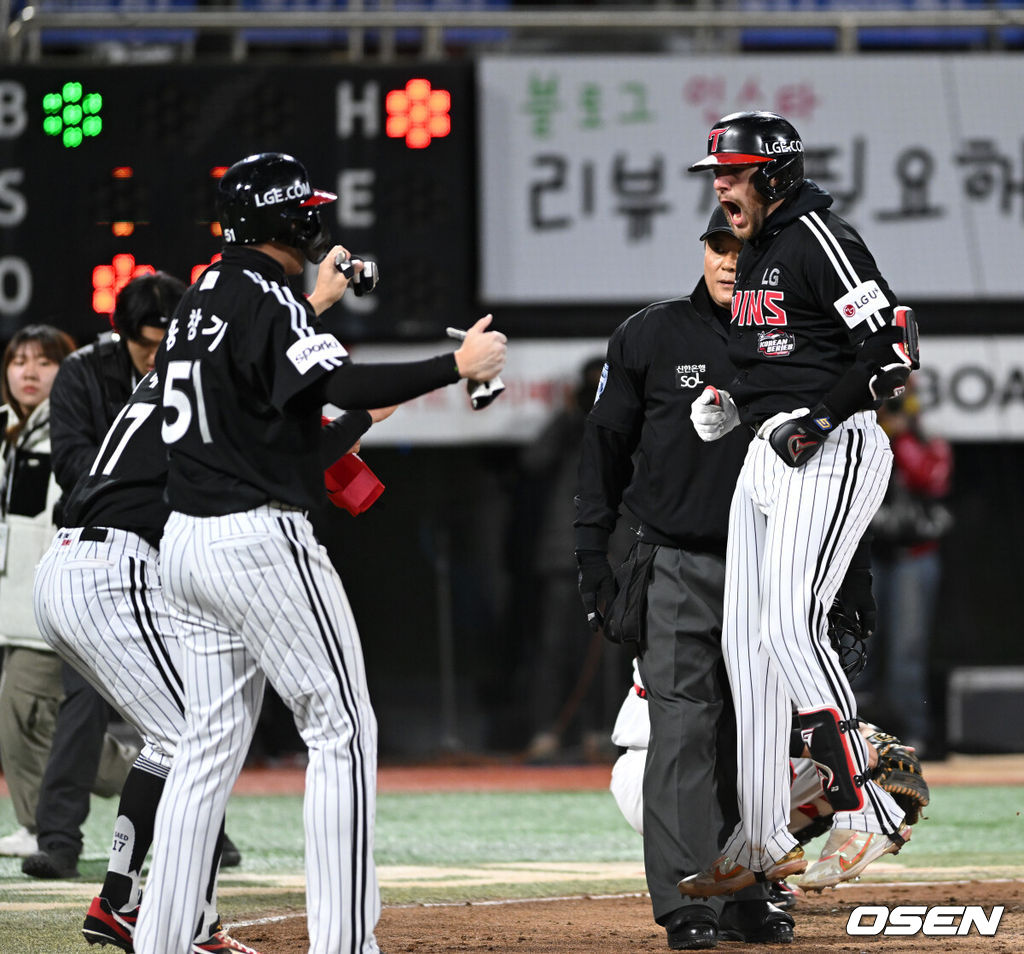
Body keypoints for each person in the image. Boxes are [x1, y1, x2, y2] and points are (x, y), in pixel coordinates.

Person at [134, 151, 507, 954]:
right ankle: (344, 944)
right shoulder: (267, 296)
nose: (316, 218)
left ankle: (158, 941)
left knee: (207, 746)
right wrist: (456, 365)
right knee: (340, 726)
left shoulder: (204, 290)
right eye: (305, 207)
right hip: (254, 540)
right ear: (283, 218)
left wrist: (316, 306)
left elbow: (287, 403)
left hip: (185, 544)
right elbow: (333, 382)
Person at [33, 352, 388, 950]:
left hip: (86, 562)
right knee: (199, 743)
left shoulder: (186, 376)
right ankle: (180, 923)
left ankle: (122, 899)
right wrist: (358, 420)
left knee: (177, 739)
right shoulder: (212, 389)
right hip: (110, 568)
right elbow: (273, 462)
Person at [681, 110, 917, 898]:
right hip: (766, 449)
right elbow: (775, 353)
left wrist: (818, 417)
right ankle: (761, 835)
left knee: (788, 625)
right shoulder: (755, 250)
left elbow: (891, 347)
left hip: (833, 444)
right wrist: (729, 394)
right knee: (747, 645)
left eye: (733, 171)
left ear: (773, 174)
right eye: (717, 172)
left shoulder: (820, 237)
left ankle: (868, 808)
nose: (720, 186)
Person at [575, 207, 794, 949]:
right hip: (675, 560)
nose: (729, 258)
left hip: (770, 563)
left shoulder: (797, 340)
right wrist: (590, 556)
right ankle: (688, 903)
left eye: (742, 246)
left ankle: (749, 891)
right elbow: (603, 445)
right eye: (717, 244)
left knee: (755, 738)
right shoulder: (651, 333)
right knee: (682, 728)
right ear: (703, 249)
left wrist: (843, 583)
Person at [23, 271, 189, 880]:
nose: (159, 353)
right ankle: (63, 840)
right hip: (105, 562)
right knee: (100, 704)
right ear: (123, 335)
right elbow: (73, 465)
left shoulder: (182, 374)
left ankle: (201, 833)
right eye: (148, 343)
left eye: (169, 339)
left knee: (183, 709)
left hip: (153, 553)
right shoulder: (86, 373)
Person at [521, 356, 626, 764]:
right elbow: (532, 460)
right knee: (554, 648)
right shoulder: (568, 429)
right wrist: (567, 415)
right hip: (563, 557)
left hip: (612, 557)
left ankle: (599, 731)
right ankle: (547, 730)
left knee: (610, 651)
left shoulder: (628, 430)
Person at [0, 325, 77, 857]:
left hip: (47, 606)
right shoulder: (7, 433)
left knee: (28, 716)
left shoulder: (72, 435)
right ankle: (34, 825)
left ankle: (164, 781)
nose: (28, 372)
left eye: (43, 362)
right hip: (14, 608)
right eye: (18, 360)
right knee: (30, 718)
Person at [867, 379, 953, 757]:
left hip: (913, 555)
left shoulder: (926, 440)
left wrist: (901, 436)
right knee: (859, 647)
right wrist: (880, 429)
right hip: (868, 555)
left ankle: (911, 734)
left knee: (908, 650)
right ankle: (856, 733)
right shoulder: (864, 434)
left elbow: (930, 480)